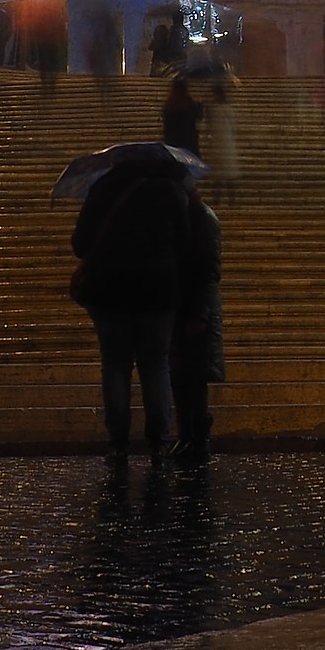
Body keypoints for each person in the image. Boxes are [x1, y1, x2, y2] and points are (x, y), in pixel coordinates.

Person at [70, 149, 194, 463]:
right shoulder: (171, 191)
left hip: (109, 290)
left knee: (114, 364)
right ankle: (158, 440)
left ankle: (118, 442)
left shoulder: (102, 188)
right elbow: (185, 245)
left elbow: (80, 244)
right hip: (157, 291)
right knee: (155, 364)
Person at [170, 185, 225, 463]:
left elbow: (208, 270)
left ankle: (198, 438)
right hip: (184, 306)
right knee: (181, 374)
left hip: (196, 309)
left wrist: (200, 313)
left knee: (194, 376)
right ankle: (187, 436)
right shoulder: (185, 216)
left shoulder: (202, 219)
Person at [202, 73, 242, 205]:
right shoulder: (227, 109)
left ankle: (217, 203)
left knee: (218, 177)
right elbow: (234, 127)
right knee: (229, 176)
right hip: (227, 144)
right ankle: (232, 203)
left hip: (217, 145)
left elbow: (209, 127)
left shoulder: (213, 110)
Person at [161, 76, 202, 158]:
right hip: (189, 145)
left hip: (173, 146)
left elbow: (167, 129)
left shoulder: (169, 106)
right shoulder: (189, 104)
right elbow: (198, 116)